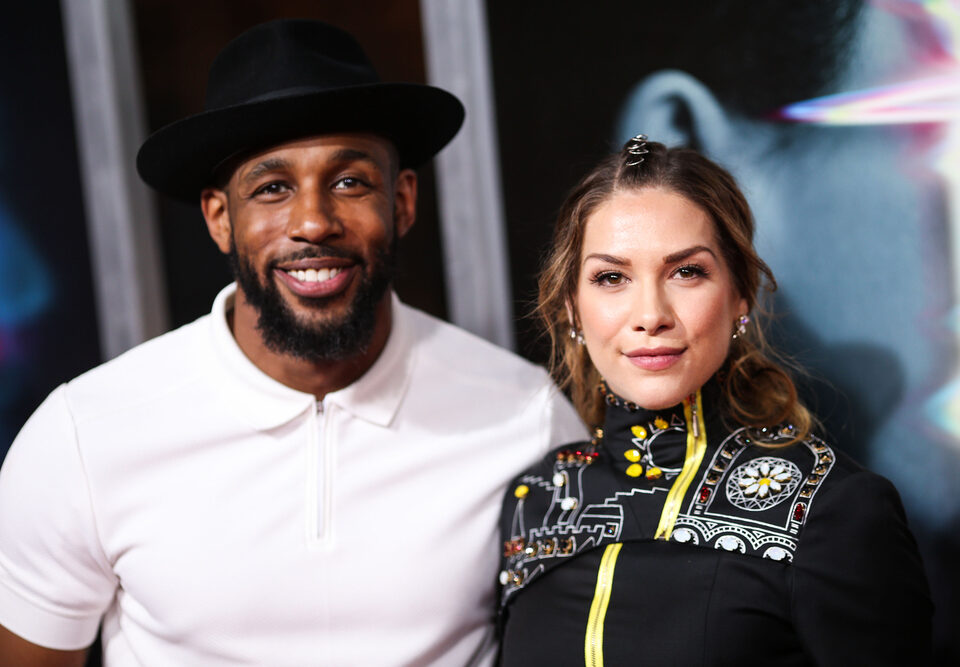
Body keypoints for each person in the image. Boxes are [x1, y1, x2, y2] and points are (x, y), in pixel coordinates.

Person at [0, 20, 587, 666]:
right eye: (272, 188)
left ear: (404, 200)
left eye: (350, 182)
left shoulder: (524, 418)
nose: (312, 222)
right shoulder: (84, 437)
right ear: (221, 218)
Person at [496, 137, 932, 665]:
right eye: (612, 277)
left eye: (687, 272)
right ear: (572, 307)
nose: (650, 314)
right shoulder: (536, 499)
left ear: (740, 295)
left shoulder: (835, 509)